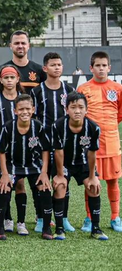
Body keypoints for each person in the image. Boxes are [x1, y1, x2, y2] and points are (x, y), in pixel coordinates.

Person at [0, 94, 53, 240]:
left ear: (33, 109)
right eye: (21, 109)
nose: (24, 112)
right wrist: (4, 174)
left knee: (44, 187)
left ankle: (45, 228)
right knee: (5, 188)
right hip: (13, 165)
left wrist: (44, 172)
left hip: (33, 165)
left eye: (28, 109)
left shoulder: (38, 127)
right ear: (15, 111)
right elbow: (1, 151)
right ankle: (0, 228)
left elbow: (46, 149)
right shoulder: (8, 127)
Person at [51, 91, 108, 240]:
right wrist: (60, 176)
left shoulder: (93, 128)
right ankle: (59, 229)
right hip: (64, 163)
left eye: (81, 107)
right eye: (73, 107)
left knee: (94, 187)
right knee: (60, 187)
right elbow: (58, 152)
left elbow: (91, 153)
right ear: (66, 109)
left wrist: (92, 177)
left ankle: (96, 229)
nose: (77, 111)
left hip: (82, 162)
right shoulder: (58, 126)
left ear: (86, 109)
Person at [77, 51, 122, 232]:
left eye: (104, 65)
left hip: (111, 142)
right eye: (97, 65)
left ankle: (115, 217)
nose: (101, 68)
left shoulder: (117, 88)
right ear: (91, 68)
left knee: (113, 181)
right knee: (90, 180)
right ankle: (89, 218)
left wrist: (108, 128)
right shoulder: (83, 89)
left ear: (109, 68)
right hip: (91, 145)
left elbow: (119, 113)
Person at [30, 52, 75, 233]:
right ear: (45, 68)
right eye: (53, 65)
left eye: (59, 64)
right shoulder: (36, 91)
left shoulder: (69, 90)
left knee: (64, 179)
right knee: (42, 181)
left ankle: (62, 218)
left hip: (63, 144)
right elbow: (32, 118)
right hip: (42, 144)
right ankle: (42, 218)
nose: (57, 67)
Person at [0, 65, 29, 235]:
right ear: (0, 80)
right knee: (4, 184)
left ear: (17, 79)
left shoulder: (23, 98)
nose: (9, 81)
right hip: (2, 149)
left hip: (21, 148)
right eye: (6, 78)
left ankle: (21, 222)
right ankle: (7, 219)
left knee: (20, 183)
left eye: (12, 77)